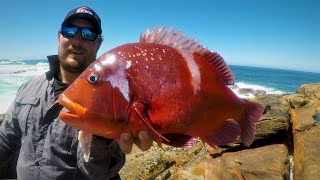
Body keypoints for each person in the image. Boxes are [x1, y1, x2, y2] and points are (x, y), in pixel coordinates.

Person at [0, 6, 153, 179]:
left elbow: (99, 173)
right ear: (59, 36)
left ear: (98, 43)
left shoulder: (113, 99)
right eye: (70, 31)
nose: (77, 40)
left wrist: (103, 135)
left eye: (88, 34)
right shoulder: (28, 87)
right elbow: (6, 141)